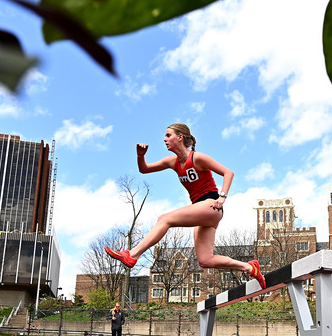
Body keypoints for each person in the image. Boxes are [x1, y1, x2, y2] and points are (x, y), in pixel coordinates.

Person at [104, 123, 266, 290]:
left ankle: (132, 254)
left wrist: (222, 196)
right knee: (205, 260)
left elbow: (228, 173)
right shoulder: (172, 162)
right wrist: (140, 156)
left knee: (164, 219)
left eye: (168, 135)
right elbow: (144, 169)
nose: (164, 139)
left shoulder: (197, 158)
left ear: (180, 137)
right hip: (201, 211)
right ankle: (249, 267)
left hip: (211, 205)